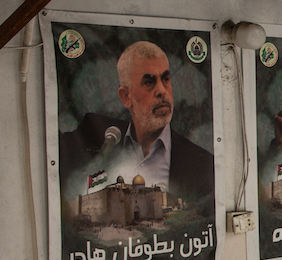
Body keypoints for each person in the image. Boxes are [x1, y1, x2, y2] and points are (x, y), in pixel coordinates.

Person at [59, 41, 214, 203]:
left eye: (166, 79)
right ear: (126, 97)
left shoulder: (201, 163)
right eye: (149, 82)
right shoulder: (99, 134)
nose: (162, 91)